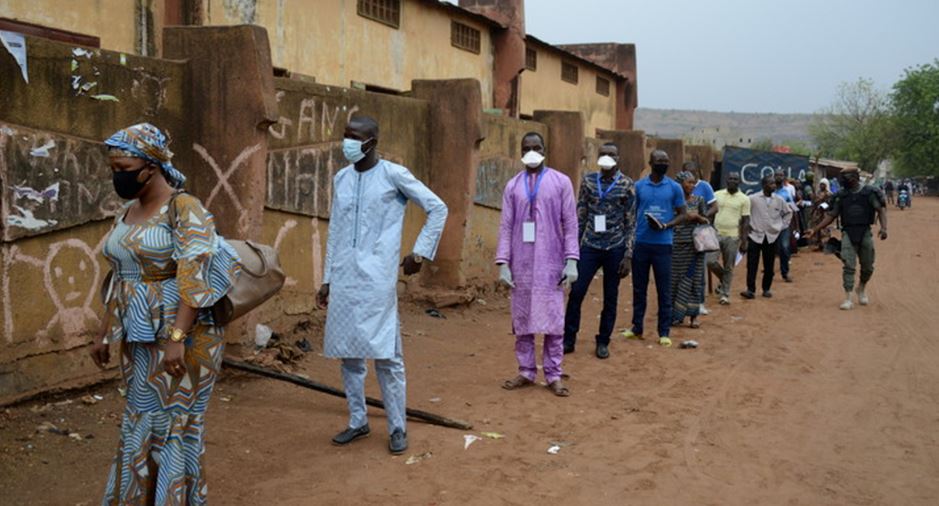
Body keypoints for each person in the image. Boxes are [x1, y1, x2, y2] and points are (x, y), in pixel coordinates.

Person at [91, 123, 242, 504]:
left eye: (124, 168)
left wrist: (177, 338)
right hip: (138, 337)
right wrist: (104, 330)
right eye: (114, 168)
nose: (118, 176)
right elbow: (120, 274)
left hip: (185, 337)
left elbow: (196, 276)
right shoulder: (128, 210)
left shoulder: (185, 208)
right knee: (141, 418)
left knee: (173, 423)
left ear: (151, 166)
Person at [317, 116, 448, 454]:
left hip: (377, 280)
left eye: (355, 137)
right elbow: (336, 230)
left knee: (388, 357)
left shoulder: (393, 175)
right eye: (345, 135)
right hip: (344, 279)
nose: (348, 142)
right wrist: (327, 280)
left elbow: (437, 208)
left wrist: (418, 253)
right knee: (350, 355)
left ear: (372, 142)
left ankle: (397, 427)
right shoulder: (342, 178)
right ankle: (357, 421)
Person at [497, 132, 579, 396]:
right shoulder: (513, 186)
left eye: (537, 147)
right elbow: (506, 225)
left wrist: (571, 260)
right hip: (521, 263)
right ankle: (526, 371)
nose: (532, 151)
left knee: (554, 321)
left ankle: (554, 374)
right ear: (520, 151)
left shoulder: (561, 182)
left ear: (545, 150)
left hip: (551, 263)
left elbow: (570, 223)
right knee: (522, 319)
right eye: (527, 147)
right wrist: (503, 262)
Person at [563, 143, 636, 359]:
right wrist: (572, 251)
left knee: (610, 297)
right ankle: (568, 339)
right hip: (590, 246)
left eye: (611, 154)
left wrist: (628, 255)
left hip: (615, 247)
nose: (607, 157)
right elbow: (581, 215)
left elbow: (631, 222)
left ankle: (603, 341)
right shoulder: (588, 181)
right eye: (603, 154)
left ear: (618, 158)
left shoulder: (627, 184)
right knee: (576, 293)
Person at [621, 150, 687, 347]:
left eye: (666, 161)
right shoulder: (639, 186)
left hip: (664, 245)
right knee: (639, 288)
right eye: (659, 160)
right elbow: (632, 213)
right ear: (650, 162)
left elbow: (683, 213)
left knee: (663, 290)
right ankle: (637, 327)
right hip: (641, 243)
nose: (663, 163)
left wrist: (666, 225)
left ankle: (664, 332)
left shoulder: (674, 188)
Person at [807, 167, 887, 309]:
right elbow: (831, 215)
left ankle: (861, 288)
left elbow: (880, 210)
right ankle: (848, 297)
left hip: (864, 232)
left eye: (846, 177)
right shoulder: (841, 196)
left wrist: (884, 228)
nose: (843, 180)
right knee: (849, 265)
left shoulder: (869, 193)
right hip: (848, 233)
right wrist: (815, 229)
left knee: (868, 267)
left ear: (854, 177)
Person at [741, 174, 792, 299]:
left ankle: (766, 288)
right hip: (755, 236)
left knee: (769, 265)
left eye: (774, 183)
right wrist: (748, 226)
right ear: (764, 185)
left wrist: (780, 226)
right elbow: (745, 213)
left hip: (771, 236)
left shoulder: (779, 200)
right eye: (771, 183)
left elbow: (788, 212)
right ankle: (750, 290)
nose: (774, 185)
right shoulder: (752, 198)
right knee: (752, 264)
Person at [670, 171, 710, 328]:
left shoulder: (699, 200)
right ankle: (677, 315)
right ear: (680, 184)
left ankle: (693, 316)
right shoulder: (673, 201)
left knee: (694, 280)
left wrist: (698, 217)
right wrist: (689, 216)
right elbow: (671, 218)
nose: (692, 186)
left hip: (695, 247)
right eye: (689, 183)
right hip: (676, 245)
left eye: (694, 183)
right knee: (675, 281)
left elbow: (706, 219)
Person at [706, 171, 750, 305]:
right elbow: (711, 214)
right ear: (726, 180)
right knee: (710, 261)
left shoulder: (744, 199)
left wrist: (744, 240)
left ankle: (724, 294)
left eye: (735, 179)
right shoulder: (717, 194)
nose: (733, 181)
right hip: (716, 234)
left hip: (733, 236)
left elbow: (745, 221)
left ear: (739, 182)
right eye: (730, 178)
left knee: (729, 266)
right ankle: (724, 279)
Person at [685, 161, 717, 316]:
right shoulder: (678, 186)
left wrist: (703, 216)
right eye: (686, 172)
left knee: (700, 268)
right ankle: (681, 302)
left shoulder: (705, 186)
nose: (690, 175)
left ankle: (700, 302)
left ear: (697, 172)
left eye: (692, 172)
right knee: (680, 269)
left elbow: (714, 206)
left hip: (700, 233)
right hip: (682, 233)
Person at [773, 168, 797, 282]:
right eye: (777, 175)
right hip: (770, 225)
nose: (779, 177)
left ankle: (785, 272)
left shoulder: (786, 192)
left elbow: (793, 208)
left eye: (781, 175)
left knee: (784, 247)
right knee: (769, 248)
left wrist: (795, 226)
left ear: (784, 177)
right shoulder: (769, 191)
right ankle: (769, 271)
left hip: (784, 225)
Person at [811, 178, 834, 250]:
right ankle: (818, 244)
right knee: (817, 227)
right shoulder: (818, 193)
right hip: (817, 213)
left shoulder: (829, 194)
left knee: (824, 228)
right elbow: (814, 202)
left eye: (823, 184)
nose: (821, 186)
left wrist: (824, 206)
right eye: (820, 184)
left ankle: (825, 244)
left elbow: (831, 204)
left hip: (825, 213)